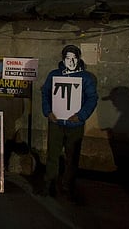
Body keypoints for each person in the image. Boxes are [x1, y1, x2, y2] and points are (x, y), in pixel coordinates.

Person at [40, 45, 98, 200]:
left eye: (73, 58)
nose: (70, 61)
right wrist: (48, 112)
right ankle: (49, 185)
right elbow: (45, 93)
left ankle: (68, 187)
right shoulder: (53, 75)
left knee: (72, 157)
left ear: (78, 59)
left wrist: (81, 115)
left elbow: (92, 98)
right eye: (67, 58)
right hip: (56, 122)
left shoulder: (86, 77)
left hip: (75, 124)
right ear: (63, 59)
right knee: (52, 155)